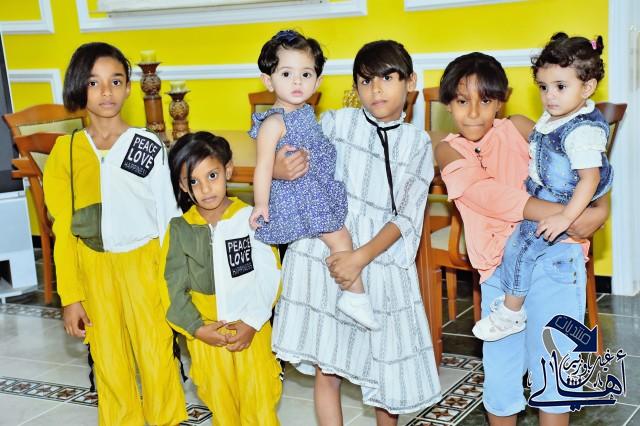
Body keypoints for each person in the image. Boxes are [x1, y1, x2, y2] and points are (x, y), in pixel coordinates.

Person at [434, 51, 610, 425]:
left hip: (556, 257)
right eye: (462, 101)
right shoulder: (448, 149)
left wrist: (600, 208)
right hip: (499, 270)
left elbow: (582, 162)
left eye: (486, 101)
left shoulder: (516, 127)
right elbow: (490, 197)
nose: (474, 113)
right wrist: (568, 214)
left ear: (502, 100)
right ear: (448, 104)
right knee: (501, 375)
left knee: (556, 368)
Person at [271, 40, 441, 426]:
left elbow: (406, 218)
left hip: (378, 261)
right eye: (365, 81)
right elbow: (292, 164)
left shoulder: (417, 143)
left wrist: (359, 258)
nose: (376, 89)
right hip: (325, 257)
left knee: (385, 372)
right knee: (327, 365)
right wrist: (279, 168)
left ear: (410, 82)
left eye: (387, 78)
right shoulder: (337, 123)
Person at [43, 42, 187, 425]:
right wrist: (71, 296)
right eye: (94, 82)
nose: (106, 92)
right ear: (78, 87)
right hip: (93, 271)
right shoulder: (66, 152)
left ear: (128, 88)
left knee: (157, 356)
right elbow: (63, 230)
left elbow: (168, 218)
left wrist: (174, 284)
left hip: (145, 267)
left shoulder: (146, 144)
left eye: (116, 81)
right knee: (109, 362)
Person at [472, 33, 613, 342]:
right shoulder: (559, 116)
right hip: (549, 193)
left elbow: (590, 179)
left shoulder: (581, 131)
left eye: (560, 87)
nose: (550, 96)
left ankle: (511, 312)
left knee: (519, 246)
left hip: (563, 202)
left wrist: (565, 217)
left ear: (587, 87)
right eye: (543, 87)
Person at [249, 29, 378, 330]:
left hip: (315, 189)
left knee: (344, 235)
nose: (297, 82)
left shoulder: (307, 113)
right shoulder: (273, 123)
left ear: (318, 81)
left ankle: (347, 296)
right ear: (268, 80)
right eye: (286, 73)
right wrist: (260, 204)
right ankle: (355, 295)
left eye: (306, 74)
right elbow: (263, 167)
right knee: (341, 238)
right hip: (299, 197)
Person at [161, 131, 282, 426]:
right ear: (183, 186)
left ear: (228, 170)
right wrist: (196, 328)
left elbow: (270, 275)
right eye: (194, 181)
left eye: (212, 175)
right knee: (221, 404)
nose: (205, 189)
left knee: (259, 404)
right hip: (207, 335)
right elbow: (171, 287)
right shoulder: (180, 229)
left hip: (251, 332)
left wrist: (252, 322)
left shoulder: (252, 219)